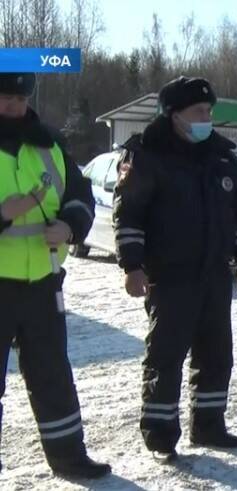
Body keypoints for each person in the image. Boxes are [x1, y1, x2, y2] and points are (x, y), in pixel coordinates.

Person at [113, 76, 237, 459]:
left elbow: (236, 214)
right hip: (171, 275)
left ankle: (209, 426)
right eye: (199, 112)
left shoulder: (221, 155)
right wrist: (132, 265)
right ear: (174, 115)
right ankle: (160, 436)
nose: (207, 118)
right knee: (166, 356)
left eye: (209, 111)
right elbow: (129, 215)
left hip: (213, 274)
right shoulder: (147, 154)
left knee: (216, 354)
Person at [0, 72, 110, 478]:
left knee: (53, 376)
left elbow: (81, 196)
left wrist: (69, 226)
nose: (13, 105)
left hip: (43, 283)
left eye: (19, 98)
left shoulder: (47, 144)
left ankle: (68, 457)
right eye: (5, 98)